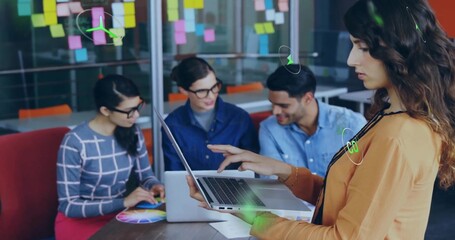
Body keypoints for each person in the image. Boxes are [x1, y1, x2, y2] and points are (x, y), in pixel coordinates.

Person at [187, 0, 455, 239]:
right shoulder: (393, 118)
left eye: (361, 47)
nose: (351, 60)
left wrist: (254, 217)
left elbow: (346, 237)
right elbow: (345, 201)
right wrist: (283, 170)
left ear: (398, 49)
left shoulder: (398, 136)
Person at [55, 74, 165, 240]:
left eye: (138, 106)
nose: (136, 116)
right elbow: (68, 205)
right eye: (129, 111)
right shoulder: (75, 142)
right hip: (80, 221)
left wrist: (154, 185)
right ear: (105, 110)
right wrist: (122, 203)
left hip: (120, 216)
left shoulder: (133, 131)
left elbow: (146, 176)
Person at [259, 64, 366, 177]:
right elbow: (272, 181)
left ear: (308, 98)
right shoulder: (269, 129)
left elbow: (365, 176)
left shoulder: (351, 124)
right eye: (273, 104)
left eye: (284, 105)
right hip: (288, 195)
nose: (275, 111)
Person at [163, 57, 259, 171]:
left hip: (236, 186)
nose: (211, 96)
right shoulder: (172, 125)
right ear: (183, 90)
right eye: (202, 91)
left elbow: (254, 165)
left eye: (214, 87)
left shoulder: (239, 118)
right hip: (191, 188)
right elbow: (174, 172)